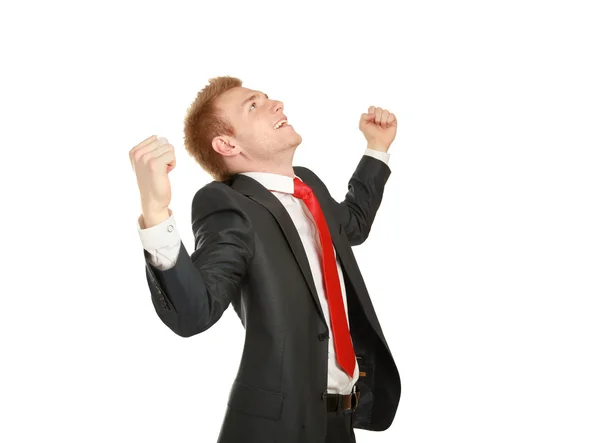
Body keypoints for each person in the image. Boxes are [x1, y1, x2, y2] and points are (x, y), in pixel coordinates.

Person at [129, 76, 401, 443]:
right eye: (253, 105)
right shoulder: (228, 206)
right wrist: (156, 210)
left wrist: (376, 148)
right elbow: (194, 313)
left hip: (341, 423)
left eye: (267, 97)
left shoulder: (309, 187)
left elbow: (352, 225)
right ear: (227, 144)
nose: (276, 104)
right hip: (278, 429)